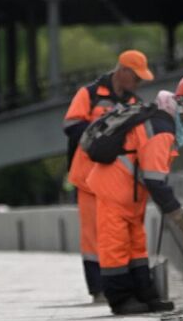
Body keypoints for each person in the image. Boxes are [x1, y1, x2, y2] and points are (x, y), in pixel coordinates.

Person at [82, 72, 183, 315]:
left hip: (129, 195)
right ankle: (121, 300)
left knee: (136, 246)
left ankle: (146, 295)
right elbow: (154, 179)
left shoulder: (160, 122)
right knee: (115, 245)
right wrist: (174, 209)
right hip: (114, 190)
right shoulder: (161, 129)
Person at [61, 50, 150, 301]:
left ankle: (122, 287)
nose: (139, 83)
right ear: (122, 71)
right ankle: (98, 289)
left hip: (118, 182)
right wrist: (102, 136)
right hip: (88, 178)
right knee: (92, 237)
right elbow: (71, 125)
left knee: (119, 234)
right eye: (136, 77)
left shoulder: (135, 102)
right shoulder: (89, 95)